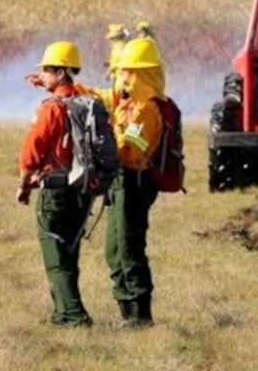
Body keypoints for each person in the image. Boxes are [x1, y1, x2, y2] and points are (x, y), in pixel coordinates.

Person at [17, 41, 95, 328]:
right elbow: (70, 91)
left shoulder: (51, 109)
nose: (42, 74)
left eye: (48, 69)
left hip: (56, 191)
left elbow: (31, 151)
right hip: (84, 189)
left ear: (62, 72)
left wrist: (24, 185)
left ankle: (74, 317)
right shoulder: (86, 99)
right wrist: (46, 83)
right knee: (70, 252)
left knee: (56, 255)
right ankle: (62, 314)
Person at [103, 36, 166, 328]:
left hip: (134, 182)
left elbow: (133, 148)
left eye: (128, 72)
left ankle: (140, 315)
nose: (122, 77)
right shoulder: (129, 105)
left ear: (141, 73)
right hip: (122, 180)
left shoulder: (146, 109)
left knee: (129, 247)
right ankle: (126, 310)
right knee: (114, 248)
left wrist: (109, 139)